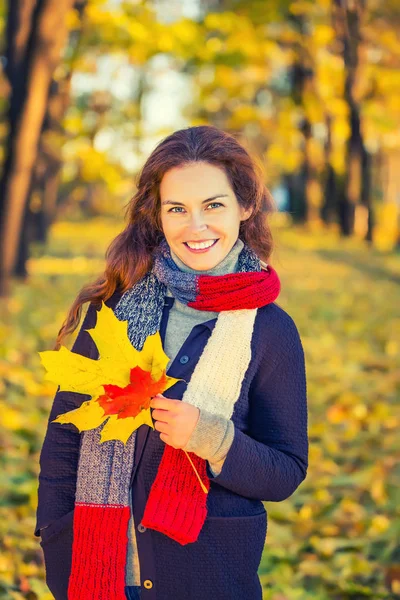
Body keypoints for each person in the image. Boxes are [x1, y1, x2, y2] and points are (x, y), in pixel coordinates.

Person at [35, 125, 309, 600]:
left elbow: (285, 470)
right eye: (177, 208)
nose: (195, 226)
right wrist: (56, 538)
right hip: (97, 573)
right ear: (157, 215)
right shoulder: (115, 310)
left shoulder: (270, 330)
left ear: (245, 207)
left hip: (208, 577)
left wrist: (211, 438)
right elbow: (64, 438)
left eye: (214, 205)